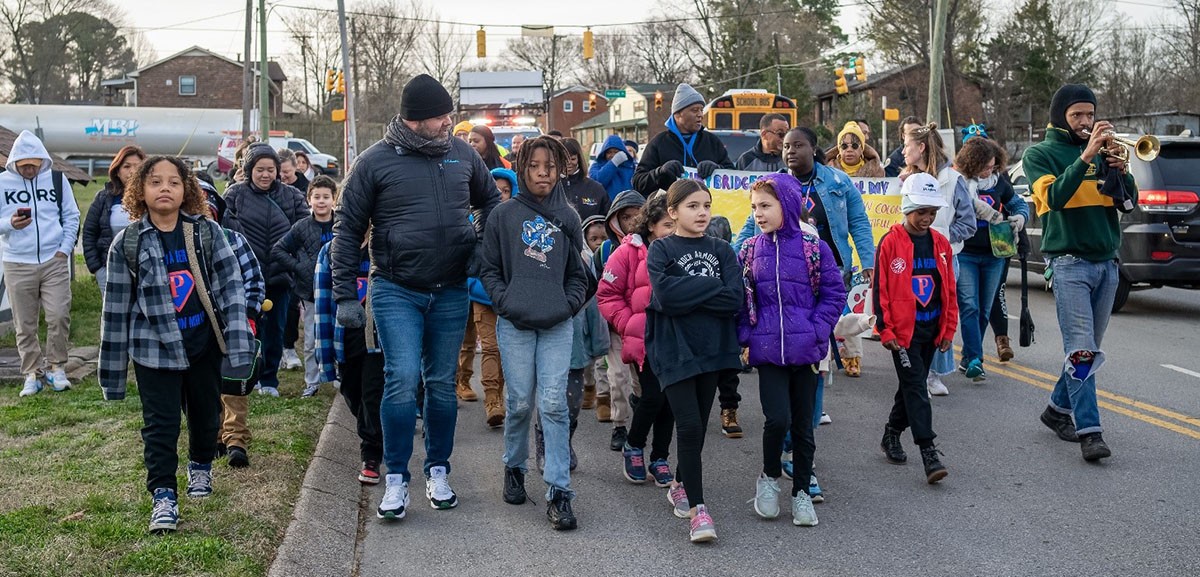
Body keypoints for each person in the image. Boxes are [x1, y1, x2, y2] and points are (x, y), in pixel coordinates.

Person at [332, 74, 500, 520]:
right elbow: (346, 229)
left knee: (442, 385)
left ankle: (438, 469)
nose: (449, 122)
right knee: (402, 378)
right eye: (441, 116)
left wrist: (479, 244)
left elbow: (491, 204)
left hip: (449, 291)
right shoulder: (374, 162)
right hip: (395, 289)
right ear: (415, 119)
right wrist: (345, 294)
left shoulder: (463, 155)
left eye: (449, 114)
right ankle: (396, 479)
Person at [98, 155, 255, 533]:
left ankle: (200, 465)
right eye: (154, 182)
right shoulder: (128, 244)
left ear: (187, 190)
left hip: (202, 346)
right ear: (140, 191)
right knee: (160, 425)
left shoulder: (206, 233)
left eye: (173, 181)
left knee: (205, 418)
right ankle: (164, 496)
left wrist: (237, 346)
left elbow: (232, 290)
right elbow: (115, 310)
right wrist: (112, 376)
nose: (164, 188)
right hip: (154, 351)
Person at [480, 136, 588, 530]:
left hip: (558, 324)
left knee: (555, 404)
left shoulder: (569, 217)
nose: (543, 173)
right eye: (535, 166)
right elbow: (488, 268)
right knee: (521, 401)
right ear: (522, 168)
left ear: (560, 169)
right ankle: (513, 466)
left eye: (551, 166)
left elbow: (580, 275)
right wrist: (505, 302)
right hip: (515, 323)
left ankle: (559, 491)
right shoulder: (503, 216)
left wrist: (567, 305)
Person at [1025, 84, 1137, 462]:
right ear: (1061, 117)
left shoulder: (1106, 154)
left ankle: (1056, 411)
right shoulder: (1039, 154)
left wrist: (1122, 171)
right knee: (1082, 350)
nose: (1085, 122)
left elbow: (1127, 203)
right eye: (1077, 116)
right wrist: (1086, 158)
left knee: (1085, 352)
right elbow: (1054, 198)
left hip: (1108, 262)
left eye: (1089, 115)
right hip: (1068, 262)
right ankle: (1091, 432)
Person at [740, 174, 845, 527]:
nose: (758, 213)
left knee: (803, 425)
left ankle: (801, 492)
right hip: (767, 350)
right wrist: (746, 335)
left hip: (807, 352)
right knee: (776, 420)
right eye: (754, 207)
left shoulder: (815, 248)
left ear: (786, 204)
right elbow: (742, 298)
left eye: (766, 206)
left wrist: (817, 330)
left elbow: (834, 294)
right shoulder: (751, 250)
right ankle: (769, 479)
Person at [646, 179, 743, 543]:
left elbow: (733, 298)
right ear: (673, 212)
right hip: (673, 349)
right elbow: (666, 298)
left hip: (713, 348)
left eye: (706, 205)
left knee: (699, 426)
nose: (702, 212)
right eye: (692, 206)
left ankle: (680, 483)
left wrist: (685, 288)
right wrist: (709, 289)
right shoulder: (661, 250)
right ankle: (699, 511)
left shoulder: (722, 250)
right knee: (687, 426)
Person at [873, 172, 957, 485]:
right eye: (921, 211)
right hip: (902, 335)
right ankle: (929, 450)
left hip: (930, 331)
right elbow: (880, 291)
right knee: (916, 388)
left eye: (932, 213)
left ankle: (892, 432)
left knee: (911, 387)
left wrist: (948, 329)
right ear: (907, 207)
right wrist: (887, 330)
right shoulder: (891, 242)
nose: (927, 218)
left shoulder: (941, 244)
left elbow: (948, 289)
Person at [597, 191, 677, 489]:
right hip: (644, 339)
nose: (673, 230)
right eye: (667, 224)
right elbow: (606, 294)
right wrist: (629, 322)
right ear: (652, 224)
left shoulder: (684, 249)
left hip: (677, 340)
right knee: (653, 396)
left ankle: (660, 457)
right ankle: (634, 444)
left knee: (671, 401)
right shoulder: (628, 251)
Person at [223, 143, 310, 397]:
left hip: (280, 276)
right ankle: (250, 377)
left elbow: (304, 232)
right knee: (249, 328)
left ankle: (270, 379)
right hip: (246, 277)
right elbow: (224, 232)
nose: (265, 175)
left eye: (270, 169)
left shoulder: (292, 196)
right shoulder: (234, 195)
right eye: (259, 169)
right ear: (249, 170)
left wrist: (295, 264)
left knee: (276, 328)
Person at [0, 130, 80, 396]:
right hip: (16, 261)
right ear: (15, 162)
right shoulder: (2, 183)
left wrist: (64, 249)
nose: (30, 170)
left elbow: (71, 215)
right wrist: (9, 224)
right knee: (24, 323)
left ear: (42, 160)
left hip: (53, 259)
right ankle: (32, 373)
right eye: (24, 166)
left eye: (34, 164)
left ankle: (57, 367)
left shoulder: (57, 180)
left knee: (59, 314)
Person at [901, 123, 976, 396]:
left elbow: (968, 223)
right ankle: (913, 369)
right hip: (909, 260)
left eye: (907, 145)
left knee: (938, 315)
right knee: (912, 313)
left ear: (920, 148)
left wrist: (939, 238)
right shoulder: (904, 179)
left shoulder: (953, 180)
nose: (903, 150)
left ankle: (934, 373)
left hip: (944, 260)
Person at [952, 137, 1028, 382]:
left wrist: (1020, 217)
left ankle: (968, 358)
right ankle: (975, 359)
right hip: (966, 252)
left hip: (996, 254)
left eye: (993, 166)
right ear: (972, 164)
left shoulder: (999, 182)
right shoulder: (958, 183)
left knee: (984, 309)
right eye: (985, 166)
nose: (990, 171)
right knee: (969, 305)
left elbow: (1018, 204)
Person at [315, 237, 385, 484]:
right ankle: (376, 431)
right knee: (353, 394)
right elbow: (323, 304)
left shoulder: (383, 243)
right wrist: (324, 357)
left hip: (379, 340)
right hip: (344, 339)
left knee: (372, 394)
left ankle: (371, 455)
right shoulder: (330, 251)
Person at [457, 167, 518, 427]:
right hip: (480, 292)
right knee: (480, 343)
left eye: (506, 191)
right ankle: (490, 397)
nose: (500, 195)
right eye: (496, 190)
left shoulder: (517, 221)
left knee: (504, 348)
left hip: (508, 295)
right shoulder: (473, 218)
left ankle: (499, 396)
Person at [272, 175, 339, 397]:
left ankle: (340, 377)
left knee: (341, 336)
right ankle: (312, 381)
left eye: (326, 197)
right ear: (309, 199)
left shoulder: (342, 225)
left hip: (339, 289)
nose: (321, 201)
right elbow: (278, 250)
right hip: (311, 292)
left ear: (334, 199)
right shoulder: (301, 227)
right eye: (316, 197)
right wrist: (299, 267)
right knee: (311, 339)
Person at [591, 190, 645, 446]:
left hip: (644, 327)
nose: (632, 222)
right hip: (616, 326)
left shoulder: (653, 246)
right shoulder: (606, 249)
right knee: (617, 377)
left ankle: (641, 413)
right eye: (626, 217)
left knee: (640, 380)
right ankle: (620, 425)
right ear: (615, 219)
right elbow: (599, 290)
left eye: (638, 216)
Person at [632, 83, 733, 197]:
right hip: (670, 211)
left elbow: (734, 175)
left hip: (707, 210)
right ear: (678, 114)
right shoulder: (659, 143)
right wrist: (659, 172)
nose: (700, 114)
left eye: (701, 110)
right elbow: (638, 182)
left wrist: (717, 169)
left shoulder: (712, 141)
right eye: (694, 110)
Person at [83, 145, 145, 295]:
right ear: (117, 171)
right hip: (110, 270)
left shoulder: (151, 197)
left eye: (137, 167)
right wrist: (97, 268)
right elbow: (89, 233)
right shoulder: (104, 198)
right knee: (114, 315)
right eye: (127, 166)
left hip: (146, 270)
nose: (132, 171)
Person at [561, 137, 611, 221]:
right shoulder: (548, 188)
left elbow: (607, 220)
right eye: (563, 159)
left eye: (573, 159)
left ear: (579, 159)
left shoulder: (596, 188)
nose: (568, 163)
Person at [589, 134, 637, 200]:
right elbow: (597, 184)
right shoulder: (596, 166)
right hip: (606, 207)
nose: (613, 155)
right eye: (609, 152)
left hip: (628, 206)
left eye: (616, 152)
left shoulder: (631, 167)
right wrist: (613, 163)